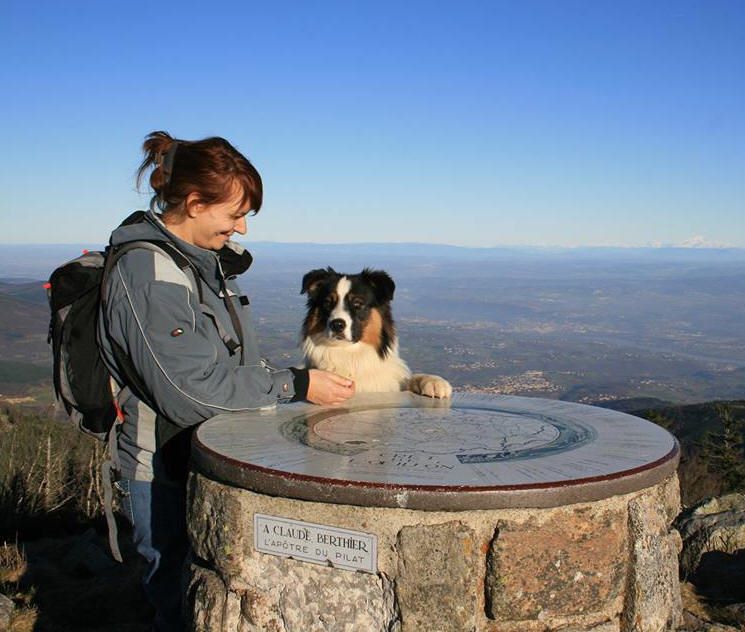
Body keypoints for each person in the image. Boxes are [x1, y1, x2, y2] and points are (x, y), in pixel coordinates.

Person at [97, 131, 355, 631]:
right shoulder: (150, 272)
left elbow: (233, 364)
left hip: (195, 457)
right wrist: (295, 387)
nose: (242, 229)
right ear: (194, 203)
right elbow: (193, 392)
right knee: (175, 594)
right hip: (160, 470)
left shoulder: (202, 264)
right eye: (235, 215)